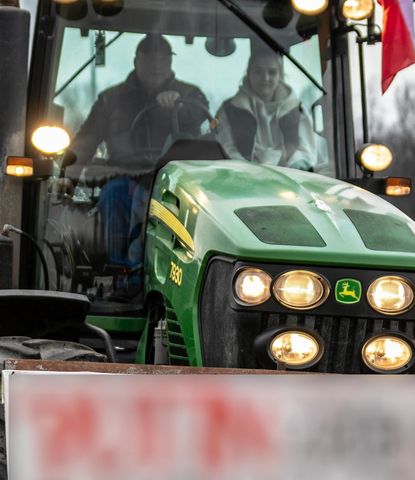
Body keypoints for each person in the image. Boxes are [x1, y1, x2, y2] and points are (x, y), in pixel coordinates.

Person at [68, 34, 209, 295]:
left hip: (174, 179)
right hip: (126, 175)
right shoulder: (110, 100)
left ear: (170, 62)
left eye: (162, 58)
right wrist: (64, 170)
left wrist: (177, 107)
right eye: (148, 58)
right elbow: (84, 143)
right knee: (114, 196)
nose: (156, 64)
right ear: (136, 60)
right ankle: (122, 276)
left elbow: (200, 115)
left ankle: (183, 283)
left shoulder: (189, 95)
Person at [215, 45, 317, 170]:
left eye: (272, 72)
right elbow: (226, 149)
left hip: (289, 180)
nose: (265, 78)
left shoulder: (296, 110)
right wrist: (249, 171)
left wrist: (292, 169)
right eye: (258, 72)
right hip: (243, 179)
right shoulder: (229, 110)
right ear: (248, 74)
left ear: (280, 75)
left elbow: (306, 152)